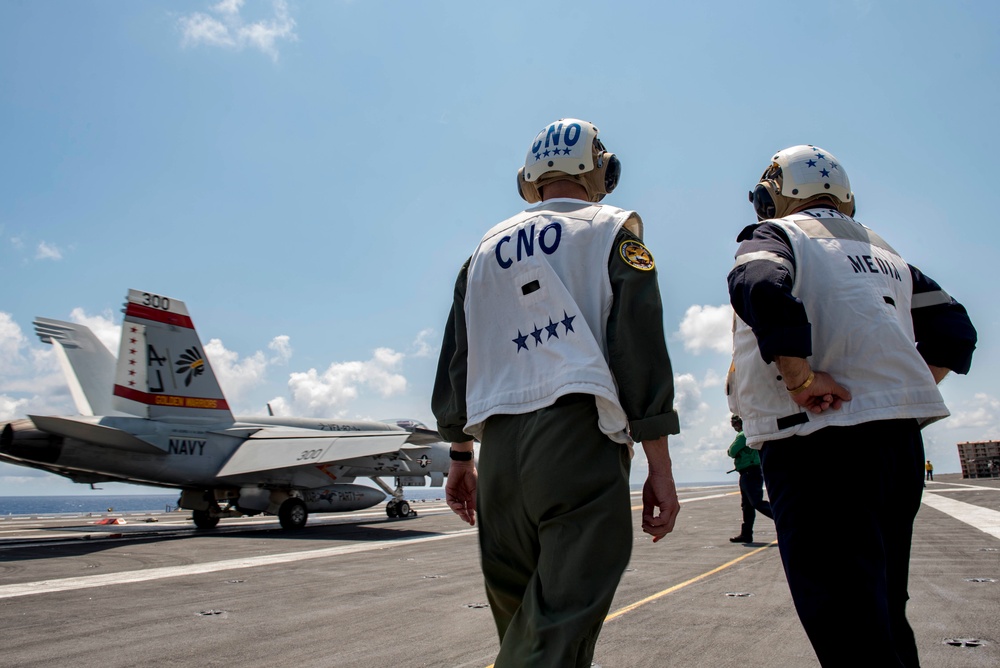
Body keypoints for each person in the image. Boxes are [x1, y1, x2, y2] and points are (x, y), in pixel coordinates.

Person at [432, 118, 681, 667]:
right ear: (602, 170)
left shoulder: (481, 253)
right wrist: (659, 465)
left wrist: (459, 456)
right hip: (577, 438)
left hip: (498, 453)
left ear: (530, 178)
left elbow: (457, 360)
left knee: (523, 624)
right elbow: (638, 349)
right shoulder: (612, 230)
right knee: (554, 634)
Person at [727, 145, 977, 667]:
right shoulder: (887, 255)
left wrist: (801, 379)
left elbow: (758, 285)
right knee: (885, 608)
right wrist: (893, 388)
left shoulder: (776, 236)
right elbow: (956, 329)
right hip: (896, 447)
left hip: (815, 445)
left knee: (842, 620)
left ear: (774, 194)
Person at [726, 414, 773, 543]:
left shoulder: (743, 435)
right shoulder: (751, 433)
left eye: (735, 423)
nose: (734, 426)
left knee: (756, 503)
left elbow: (732, 451)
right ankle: (746, 534)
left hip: (749, 473)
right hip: (749, 473)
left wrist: (733, 451)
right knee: (747, 506)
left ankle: (785, 519)